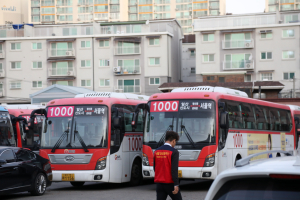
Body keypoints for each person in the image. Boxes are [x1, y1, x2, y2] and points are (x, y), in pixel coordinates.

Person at [154, 131, 182, 200]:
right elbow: (174, 169)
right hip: (170, 183)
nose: (175, 144)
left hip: (159, 183)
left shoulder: (156, 151)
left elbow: (155, 167)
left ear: (165, 140)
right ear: (173, 140)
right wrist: (176, 184)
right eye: (175, 142)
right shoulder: (174, 152)